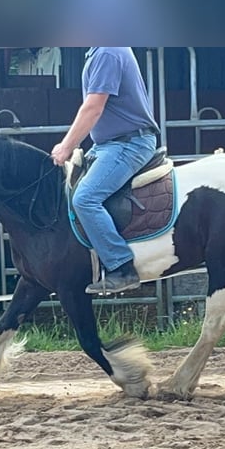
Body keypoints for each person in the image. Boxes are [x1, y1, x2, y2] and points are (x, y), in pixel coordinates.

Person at [51, 47, 159, 294]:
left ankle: (121, 268)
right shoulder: (100, 50)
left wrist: (67, 145)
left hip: (127, 144)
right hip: (108, 145)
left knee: (86, 198)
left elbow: (93, 107)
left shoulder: (107, 52)